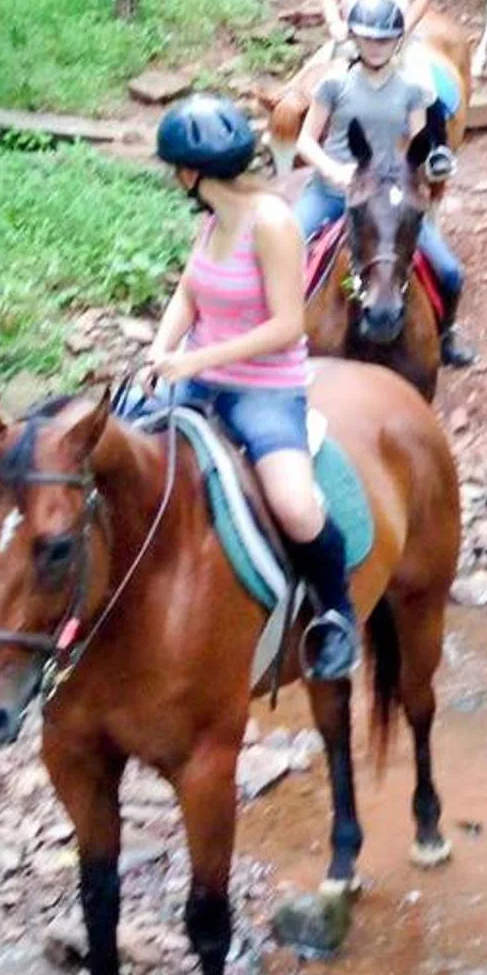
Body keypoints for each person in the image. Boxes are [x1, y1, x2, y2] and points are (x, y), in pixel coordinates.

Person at [142, 95, 357, 680]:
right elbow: (190, 292)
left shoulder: (273, 222)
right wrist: (161, 350)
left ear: (189, 173)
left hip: (265, 390)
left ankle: (336, 612)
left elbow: (287, 324)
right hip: (198, 377)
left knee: (293, 504)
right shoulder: (214, 220)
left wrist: (197, 359)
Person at [293, 0, 475, 369]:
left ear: (397, 42)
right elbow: (305, 141)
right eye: (368, 39)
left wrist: (428, 167)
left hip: (386, 198)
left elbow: (417, 142)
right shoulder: (333, 85)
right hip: (331, 193)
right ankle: (271, 344)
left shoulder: (411, 89)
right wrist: (333, 169)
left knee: (450, 273)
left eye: (384, 40)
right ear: (356, 40)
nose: (376, 47)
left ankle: (445, 337)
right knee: (278, 254)